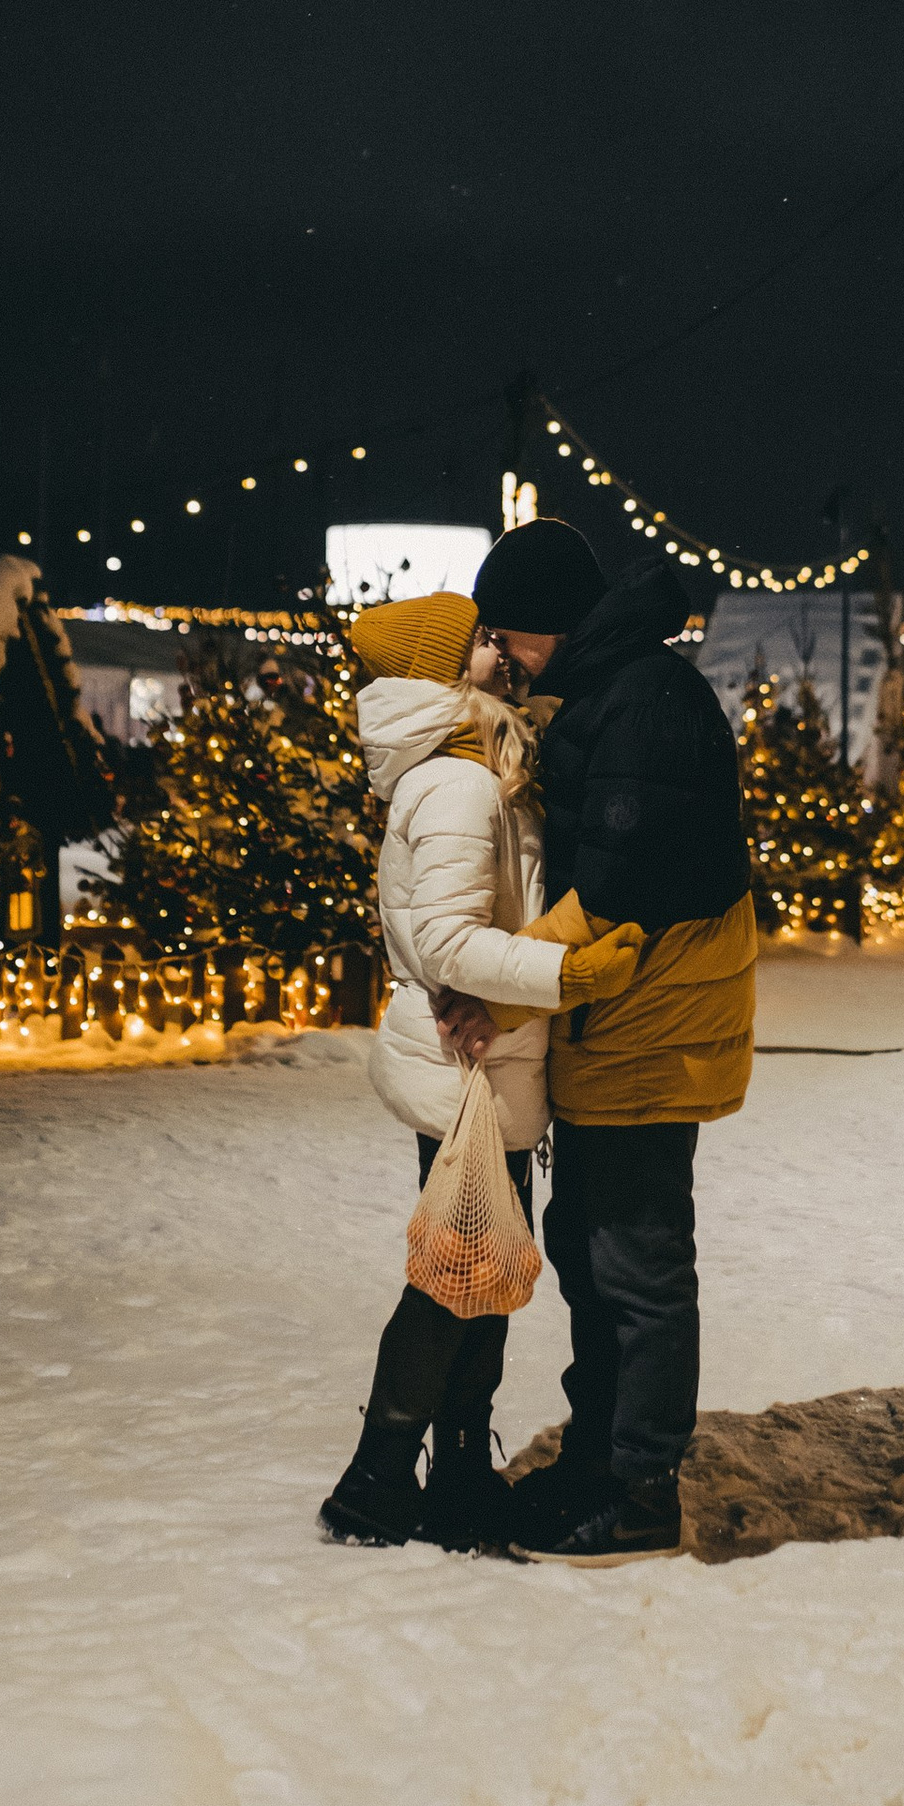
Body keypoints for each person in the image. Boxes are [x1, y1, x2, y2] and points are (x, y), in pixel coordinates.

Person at [459, 517, 757, 1568]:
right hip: (616, 1019)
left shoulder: (645, 704)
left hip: (652, 1025)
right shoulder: (607, 691)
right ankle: (597, 1459)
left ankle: (640, 1491)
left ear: (550, 625)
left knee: (634, 1263)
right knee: (593, 1251)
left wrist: (497, 992)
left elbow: (613, 890)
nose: (500, 654)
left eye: (508, 633)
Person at [318, 588, 639, 1552]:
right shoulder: (458, 784)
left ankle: (455, 1472)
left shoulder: (472, 764)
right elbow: (453, 943)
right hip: (468, 1065)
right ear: (441, 669)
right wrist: (569, 971)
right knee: (457, 1275)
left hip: (483, 1063)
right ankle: (377, 1480)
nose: (499, 648)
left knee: (480, 1271)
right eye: (479, 640)